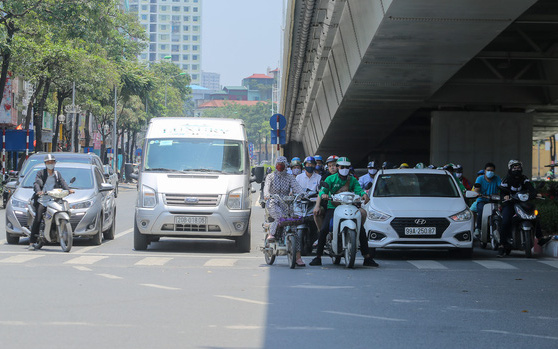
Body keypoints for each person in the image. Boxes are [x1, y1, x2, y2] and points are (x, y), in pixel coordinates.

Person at [310, 157, 378, 267]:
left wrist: (363, 194)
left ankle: (367, 257)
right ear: (338, 167)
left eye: (347, 167)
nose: (345, 169)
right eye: (342, 167)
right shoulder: (330, 179)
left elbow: (358, 190)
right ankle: (318, 257)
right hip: (333, 207)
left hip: (350, 206)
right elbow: (323, 191)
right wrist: (324, 195)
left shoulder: (353, 180)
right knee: (324, 229)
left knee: (360, 229)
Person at [263, 156, 306, 266]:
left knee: (293, 227)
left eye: (283, 164)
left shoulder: (290, 177)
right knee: (280, 217)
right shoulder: (270, 177)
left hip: (287, 204)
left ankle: (298, 257)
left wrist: (302, 194)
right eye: (278, 164)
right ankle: (272, 233)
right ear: (275, 165)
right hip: (273, 202)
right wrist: (267, 195)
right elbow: (266, 188)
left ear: (286, 166)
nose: (280, 166)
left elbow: (297, 187)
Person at [497, 160, 544, 257]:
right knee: (505, 221)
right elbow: (502, 192)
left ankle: (540, 238)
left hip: (522, 203)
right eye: (514, 167)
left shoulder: (524, 178)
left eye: (518, 167)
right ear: (510, 168)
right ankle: (501, 245)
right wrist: (504, 196)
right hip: (509, 204)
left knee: (534, 216)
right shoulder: (505, 180)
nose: (516, 169)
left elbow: (530, 188)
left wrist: (535, 193)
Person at [29, 154, 74, 250]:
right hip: (42, 200)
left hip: (54, 199)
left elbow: (63, 182)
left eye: (52, 162)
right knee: (38, 218)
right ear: (45, 163)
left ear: (55, 163)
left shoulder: (57, 174)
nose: (50, 164)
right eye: (48, 162)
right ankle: (32, 241)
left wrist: (68, 190)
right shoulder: (40, 173)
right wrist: (39, 191)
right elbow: (37, 183)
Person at [473, 162, 501, 239]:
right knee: (481, 211)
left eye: (492, 170)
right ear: (485, 170)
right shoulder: (480, 178)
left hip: (494, 200)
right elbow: (476, 189)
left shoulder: (497, 178)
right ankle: (478, 228)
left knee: (498, 214)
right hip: (482, 200)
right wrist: (478, 192)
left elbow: (500, 187)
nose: (490, 172)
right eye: (488, 170)